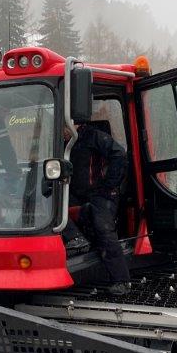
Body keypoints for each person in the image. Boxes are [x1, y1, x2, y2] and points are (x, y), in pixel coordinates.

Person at [62, 122, 131, 294]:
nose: (62, 132)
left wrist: (109, 184)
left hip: (100, 194)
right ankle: (76, 239)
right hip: (73, 194)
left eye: (64, 127)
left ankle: (121, 280)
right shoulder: (60, 144)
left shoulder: (94, 137)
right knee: (49, 207)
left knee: (103, 227)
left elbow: (119, 154)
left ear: (74, 124)